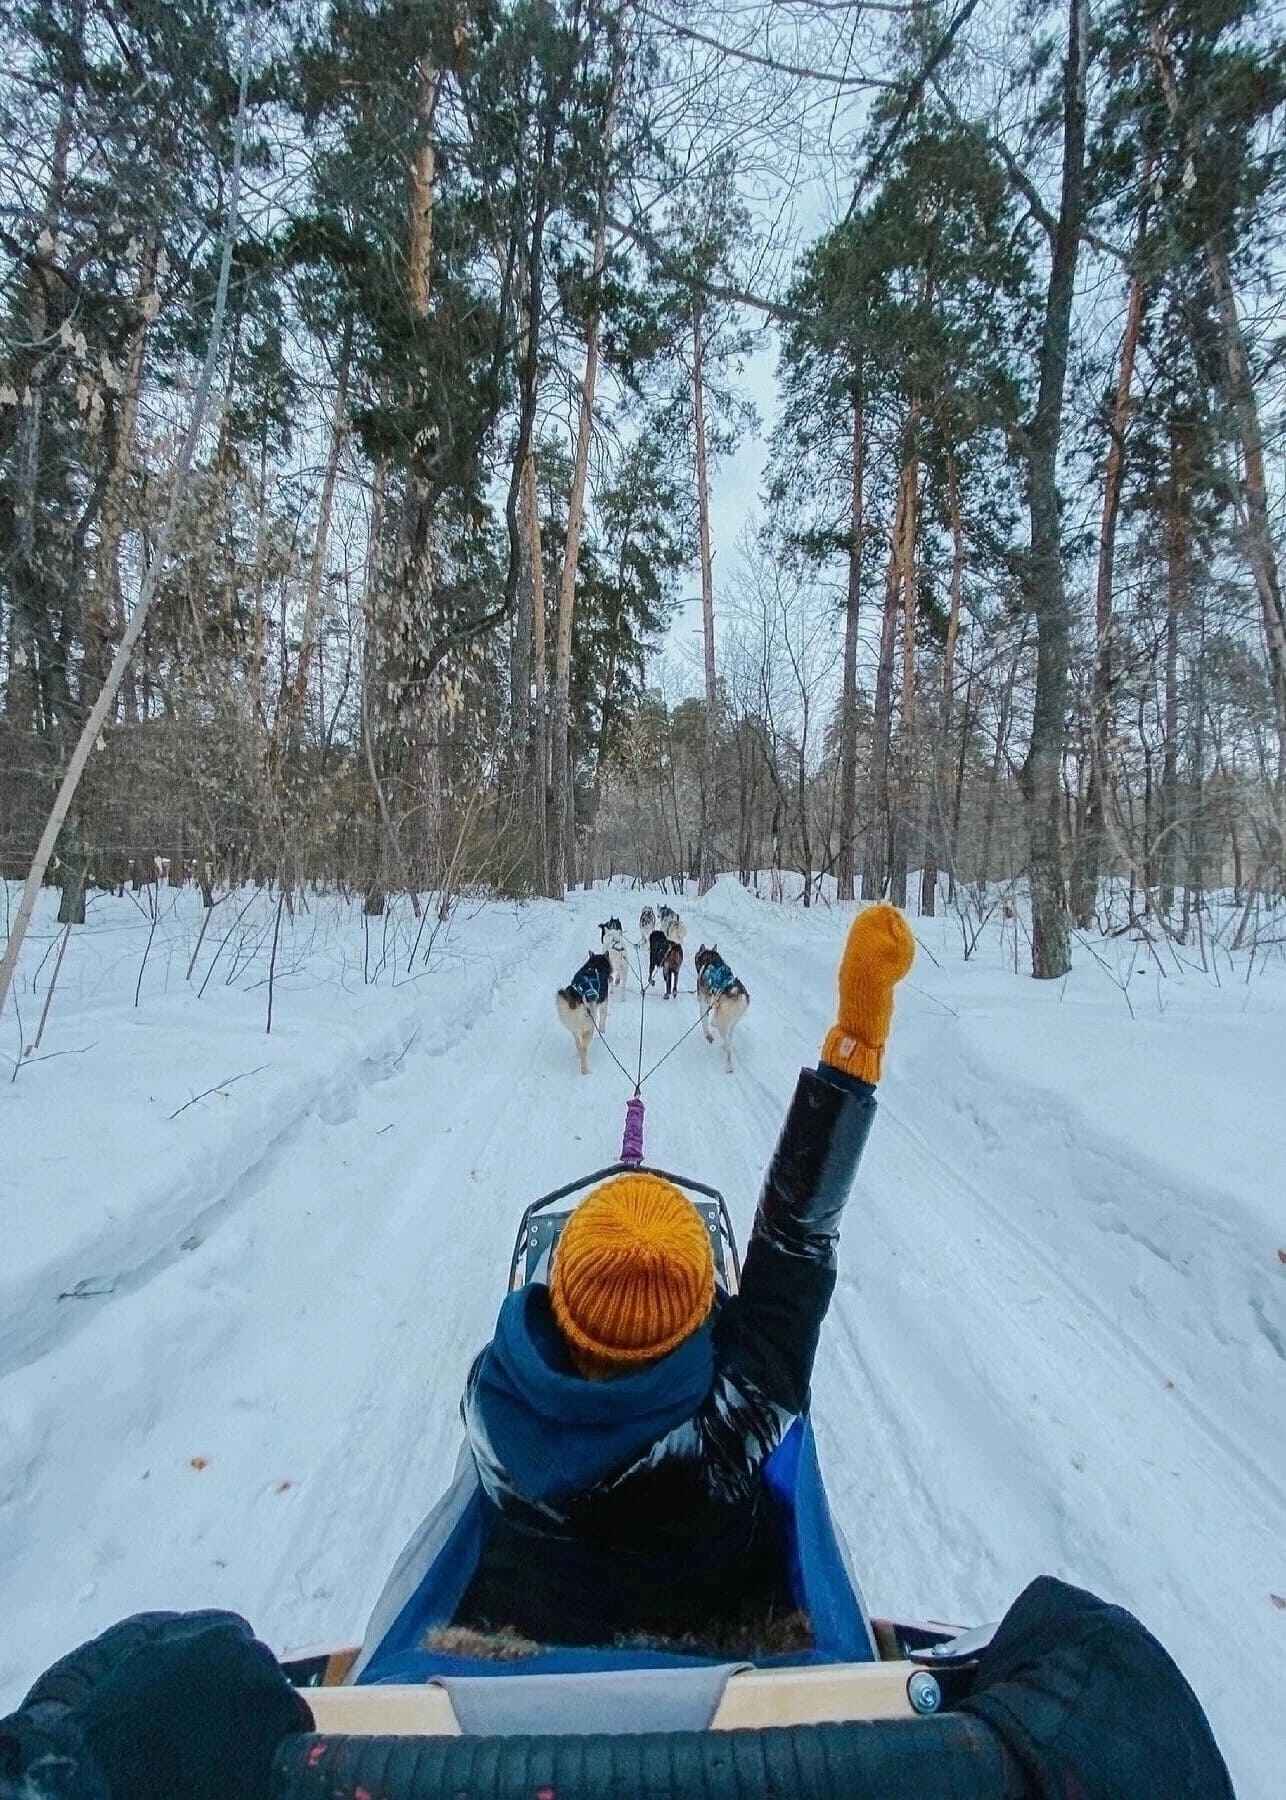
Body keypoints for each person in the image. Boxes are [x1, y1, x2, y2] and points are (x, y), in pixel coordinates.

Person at [453, 901, 916, 1649]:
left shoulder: (493, 1402)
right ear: (702, 1306)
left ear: (560, 1304)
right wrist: (854, 1048)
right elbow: (795, 1241)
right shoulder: (740, 1412)